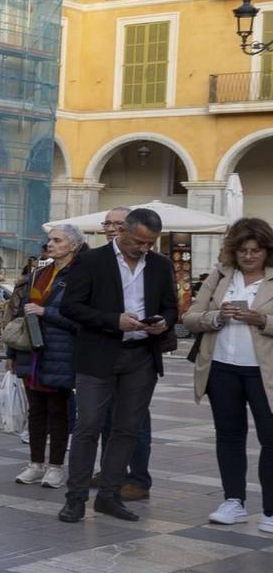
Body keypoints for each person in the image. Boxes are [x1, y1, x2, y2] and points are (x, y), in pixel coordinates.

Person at [57, 205, 178, 524]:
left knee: (127, 428)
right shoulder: (91, 260)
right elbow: (70, 307)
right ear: (123, 231)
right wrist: (114, 321)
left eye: (150, 243)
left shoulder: (161, 265)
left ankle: (109, 496)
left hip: (141, 357)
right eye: (139, 241)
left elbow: (171, 306)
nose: (144, 248)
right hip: (99, 354)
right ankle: (76, 499)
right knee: (89, 427)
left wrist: (162, 322)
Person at [184, 217, 273, 530]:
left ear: (267, 251)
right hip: (221, 368)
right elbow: (191, 317)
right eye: (243, 250)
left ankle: (271, 510)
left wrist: (261, 320)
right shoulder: (221, 276)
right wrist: (216, 317)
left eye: (256, 250)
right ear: (233, 251)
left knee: (270, 438)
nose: (249, 256)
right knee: (229, 435)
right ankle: (233, 500)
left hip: (264, 373)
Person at [13, 225, 81, 488]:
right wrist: (12, 351)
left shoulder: (79, 275)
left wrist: (45, 313)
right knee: (36, 411)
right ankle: (35, 463)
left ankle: (55, 466)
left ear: (73, 245)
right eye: (49, 240)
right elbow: (22, 311)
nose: (50, 244)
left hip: (60, 350)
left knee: (58, 411)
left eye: (57, 240)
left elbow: (80, 318)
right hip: (32, 349)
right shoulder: (39, 273)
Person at [95, 207, 155, 493]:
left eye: (118, 223)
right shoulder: (98, 260)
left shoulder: (153, 262)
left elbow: (168, 304)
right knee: (107, 417)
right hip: (105, 348)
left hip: (139, 349)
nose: (111, 228)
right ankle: (111, 472)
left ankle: (138, 477)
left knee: (136, 419)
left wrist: (160, 320)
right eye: (107, 223)